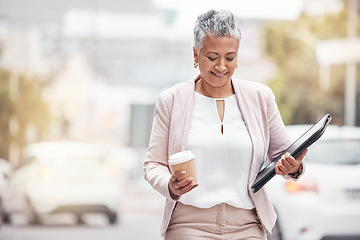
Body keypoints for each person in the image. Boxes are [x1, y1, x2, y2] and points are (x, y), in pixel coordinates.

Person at [144, 9, 307, 240]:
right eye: (212, 57)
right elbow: (153, 164)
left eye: (230, 58)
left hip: (247, 224)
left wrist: (293, 167)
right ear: (195, 54)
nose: (221, 66)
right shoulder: (171, 101)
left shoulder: (261, 97)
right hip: (189, 225)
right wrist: (169, 185)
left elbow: (285, 154)